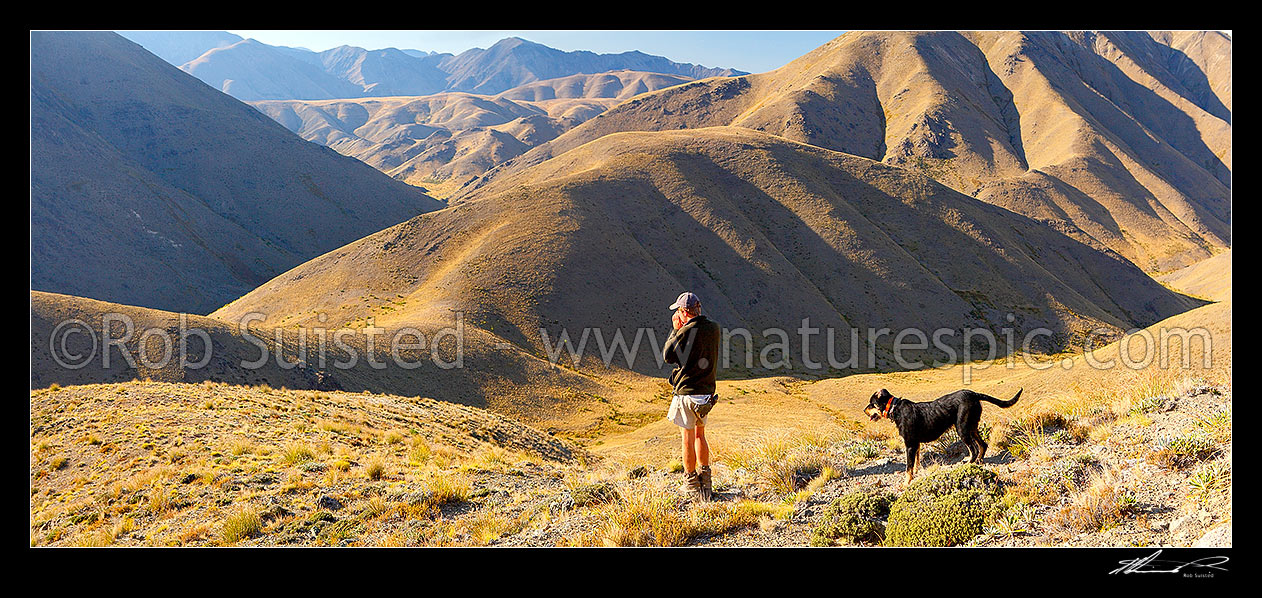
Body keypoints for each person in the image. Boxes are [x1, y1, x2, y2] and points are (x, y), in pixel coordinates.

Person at [662, 291, 721, 499]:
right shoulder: (714, 328)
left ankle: (691, 483)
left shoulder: (685, 331)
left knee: (686, 437)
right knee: (700, 434)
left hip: (686, 392)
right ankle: (706, 481)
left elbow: (668, 356)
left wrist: (676, 329)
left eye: (679, 310)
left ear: (684, 312)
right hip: (706, 393)